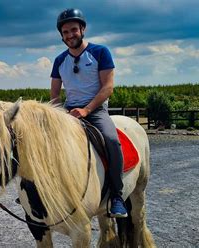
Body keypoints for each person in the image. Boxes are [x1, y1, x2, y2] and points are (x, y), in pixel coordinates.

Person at [50, 8, 128, 218]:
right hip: (68, 112)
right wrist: (57, 114)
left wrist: (86, 109)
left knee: (111, 140)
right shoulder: (59, 60)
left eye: (73, 30)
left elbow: (108, 87)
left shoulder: (100, 52)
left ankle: (117, 196)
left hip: (94, 110)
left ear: (82, 29)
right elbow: (55, 94)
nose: (69, 35)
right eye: (65, 32)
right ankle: (42, 189)